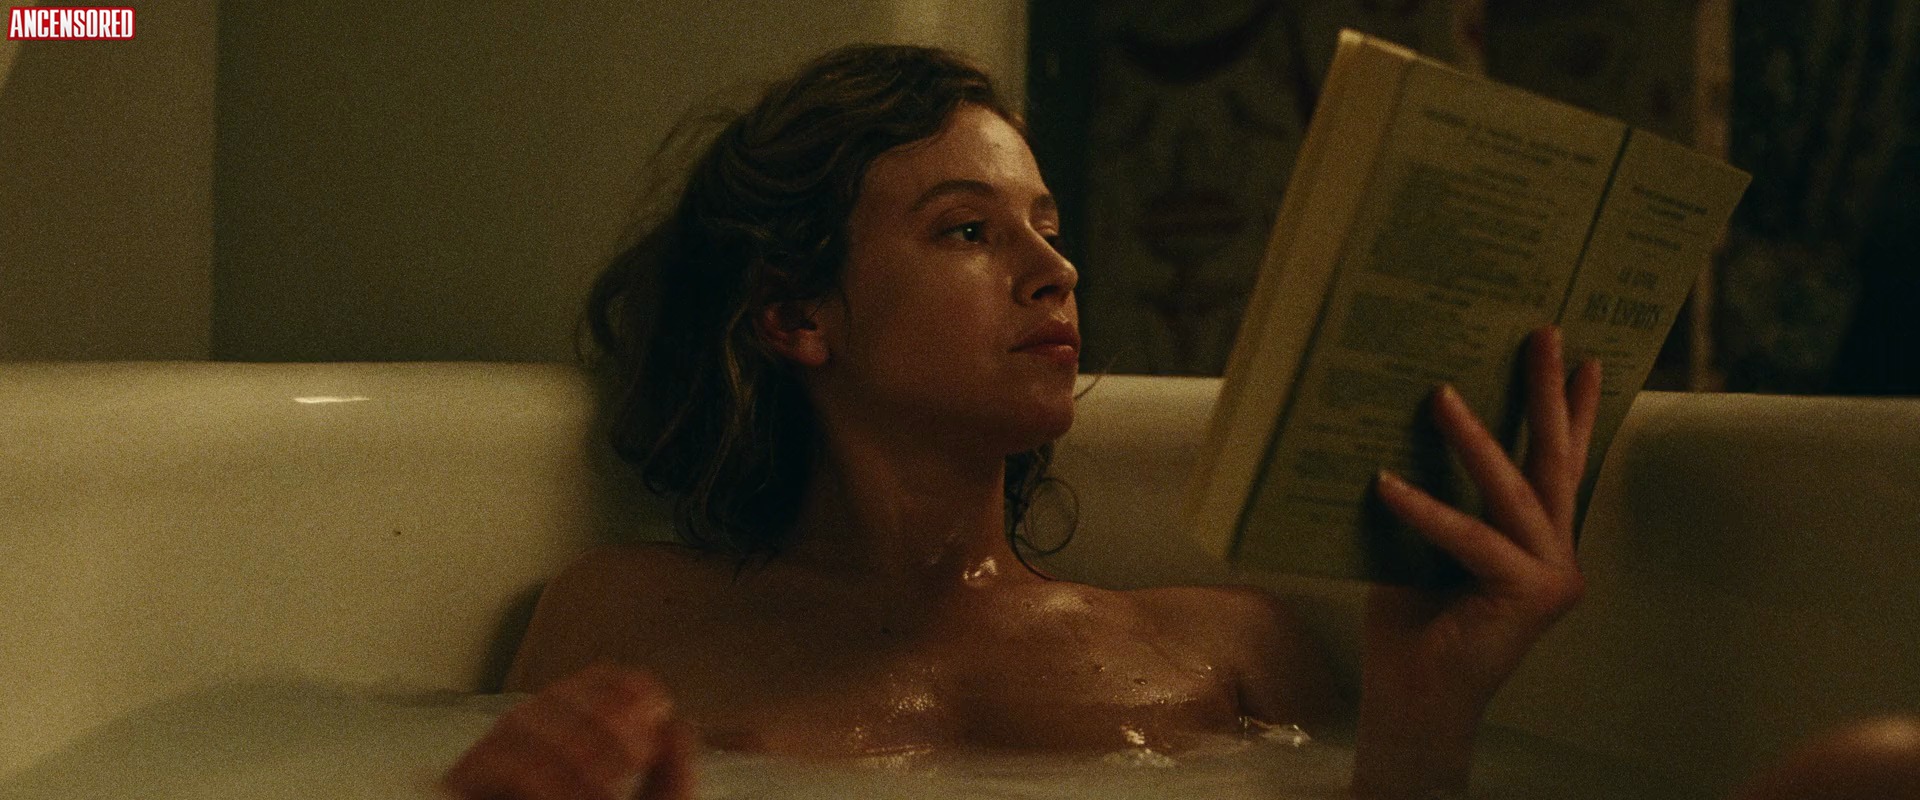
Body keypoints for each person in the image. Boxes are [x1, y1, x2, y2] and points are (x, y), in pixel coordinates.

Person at [440, 43, 1600, 800]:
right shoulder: (622, 621)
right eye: (968, 229)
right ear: (794, 313)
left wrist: (1423, 723)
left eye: (1047, 225)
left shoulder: (1233, 653)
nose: (1058, 269)